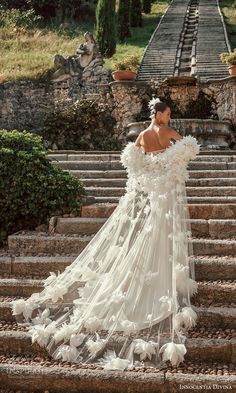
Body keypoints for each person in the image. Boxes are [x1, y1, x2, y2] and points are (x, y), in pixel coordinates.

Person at [10, 97, 201, 371]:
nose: (169, 118)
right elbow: (187, 149)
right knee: (161, 233)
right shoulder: (167, 133)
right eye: (167, 114)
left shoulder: (142, 137)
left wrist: (154, 169)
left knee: (147, 233)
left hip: (149, 192)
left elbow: (136, 166)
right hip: (164, 193)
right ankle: (159, 279)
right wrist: (172, 161)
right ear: (158, 114)